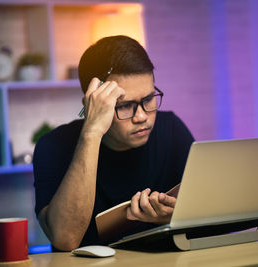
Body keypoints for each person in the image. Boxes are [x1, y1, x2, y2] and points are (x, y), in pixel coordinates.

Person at [33, 35, 194, 251]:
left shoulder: (171, 129)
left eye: (148, 99)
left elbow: (208, 213)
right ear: (92, 103)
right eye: (125, 105)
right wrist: (91, 133)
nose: (141, 116)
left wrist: (173, 219)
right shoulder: (53, 146)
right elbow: (65, 238)